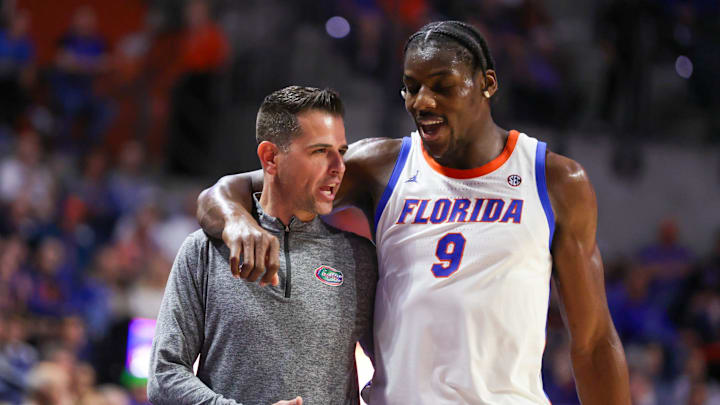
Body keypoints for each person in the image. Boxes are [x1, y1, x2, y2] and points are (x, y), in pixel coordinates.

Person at [197, 21, 631, 404]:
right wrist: (237, 221)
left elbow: (592, 342)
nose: (422, 101)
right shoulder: (381, 166)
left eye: (442, 85)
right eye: (411, 86)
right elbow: (225, 191)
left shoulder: (555, 180)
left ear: (488, 84)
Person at [149, 86, 377, 405]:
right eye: (320, 151)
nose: (338, 167)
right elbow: (165, 374)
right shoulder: (202, 251)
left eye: (341, 151)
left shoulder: (359, 258)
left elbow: (391, 368)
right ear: (270, 158)